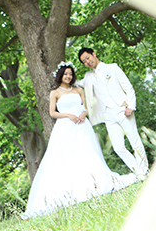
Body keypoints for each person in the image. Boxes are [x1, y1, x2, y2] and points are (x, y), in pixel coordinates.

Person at [22, 62, 137, 219]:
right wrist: (68, 115)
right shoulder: (55, 93)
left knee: (88, 151)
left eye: (70, 74)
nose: (68, 76)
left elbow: (86, 106)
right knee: (69, 156)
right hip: (65, 126)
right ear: (60, 75)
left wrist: (83, 114)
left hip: (82, 125)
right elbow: (52, 113)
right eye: (65, 74)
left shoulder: (78, 90)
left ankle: (95, 182)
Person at [76, 47, 149, 179]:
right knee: (118, 147)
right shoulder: (89, 77)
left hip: (122, 109)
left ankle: (143, 171)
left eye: (88, 58)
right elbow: (77, 84)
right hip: (108, 115)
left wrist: (131, 106)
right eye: (84, 61)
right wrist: (63, 74)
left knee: (135, 142)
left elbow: (128, 87)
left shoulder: (112, 68)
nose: (87, 62)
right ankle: (137, 170)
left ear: (94, 54)